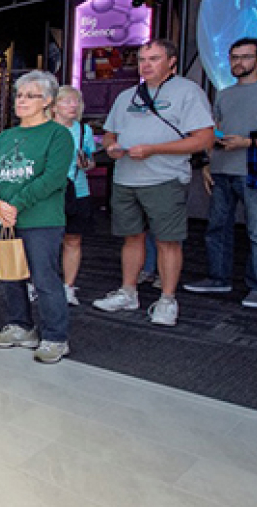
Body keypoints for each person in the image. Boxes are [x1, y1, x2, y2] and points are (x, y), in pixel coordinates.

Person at [92, 40, 215, 326]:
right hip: (125, 177)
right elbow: (110, 133)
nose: (146, 65)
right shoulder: (127, 96)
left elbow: (204, 139)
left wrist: (155, 149)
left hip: (164, 178)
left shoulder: (187, 92)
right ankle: (128, 291)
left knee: (168, 241)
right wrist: (111, 147)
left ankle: (167, 300)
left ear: (171, 62)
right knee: (131, 237)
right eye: (142, 59)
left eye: (154, 59)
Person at [184, 38, 257, 308]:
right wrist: (208, 164)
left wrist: (249, 142)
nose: (238, 62)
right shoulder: (225, 93)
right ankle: (218, 277)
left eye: (245, 57)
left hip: (256, 169)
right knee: (216, 228)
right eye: (234, 57)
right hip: (223, 167)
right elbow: (214, 130)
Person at [0, 71, 75, 363]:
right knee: (10, 275)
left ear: (47, 101)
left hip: (41, 220)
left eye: (29, 95)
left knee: (45, 279)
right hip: (1, 217)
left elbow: (54, 178)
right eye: (19, 95)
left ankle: (55, 337)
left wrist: (16, 204)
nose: (21, 101)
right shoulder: (6, 136)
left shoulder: (58, 135)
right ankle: (21, 326)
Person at [54, 85, 95, 306]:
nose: (72, 105)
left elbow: (90, 160)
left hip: (77, 190)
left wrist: (86, 163)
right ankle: (42, 283)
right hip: (50, 192)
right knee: (46, 241)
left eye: (75, 102)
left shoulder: (84, 131)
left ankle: (68, 286)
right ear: (53, 106)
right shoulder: (45, 129)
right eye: (66, 101)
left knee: (73, 239)